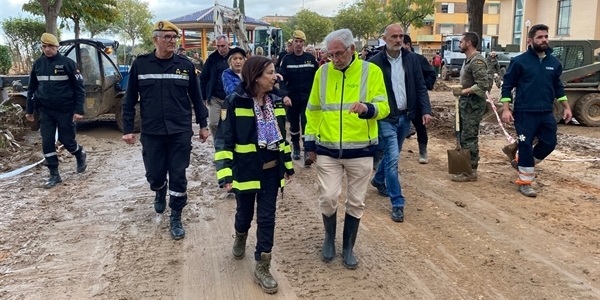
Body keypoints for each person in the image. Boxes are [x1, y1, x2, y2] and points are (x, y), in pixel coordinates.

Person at [305, 29, 390, 269]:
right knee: (329, 197)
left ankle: (348, 248)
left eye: (339, 54)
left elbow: (384, 107)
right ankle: (329, 239)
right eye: (330, 55)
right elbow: (313, 110)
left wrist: (367, 109)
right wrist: (309, 143)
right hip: (327, 150)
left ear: (352, 49)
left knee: (355, 202)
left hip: (361, 150)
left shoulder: (370, 71)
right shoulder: (322, 73)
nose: (335, 59)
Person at [122, 20, 209, 240]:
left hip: (179, 130)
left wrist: (203, 125)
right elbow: (130, 98)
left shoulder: (186, 66)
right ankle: (159, 189)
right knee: (154, 173)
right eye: (166, 37)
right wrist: (128, 128)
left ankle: (176, 216)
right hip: (152, 131)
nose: (171, 41)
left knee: (178, 173)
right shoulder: (141, 65)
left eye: (174, 37)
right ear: (155, 39)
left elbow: (197, 98)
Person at [214, 56, 294, 294]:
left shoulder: (277, 102)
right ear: (256, 76)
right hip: (246, 171)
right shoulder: (234, 102)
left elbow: (281, 137)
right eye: (270, 73)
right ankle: (240, 236)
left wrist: (288, 166)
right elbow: (224, 141)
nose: (274, 76)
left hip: (271, 172)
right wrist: (226, 174)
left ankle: (262, 265)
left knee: (267, 218)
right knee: (245, 214)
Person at [368, 24, 432, 222]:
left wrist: (426, 110)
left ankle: (378, 179)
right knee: (393, 159)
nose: (398, 40)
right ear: (384, 38)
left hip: (406, 116)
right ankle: (397, 202)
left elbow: (421, 86)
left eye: (401, 36)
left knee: (392, 154)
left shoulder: (412, 59)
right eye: (394, 36)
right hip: (386, 117)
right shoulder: (374, 63)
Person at [500, 24, 572, 197]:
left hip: (546, 112)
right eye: (540, 37)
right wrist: (506, 109)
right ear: (530, 40)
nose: (544, 40)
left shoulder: (554, 63)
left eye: (546, 36)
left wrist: (566, 107)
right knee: (525, 144)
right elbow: (507, 86)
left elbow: (558, 87)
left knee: (549, 143)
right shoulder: (519, 61)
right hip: (525, 112)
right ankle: (525, 182)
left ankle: (523, 163)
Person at [25, 33, 88, 189]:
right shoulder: (38, 64)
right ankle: (54, 174)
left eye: (51, 46)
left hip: (65, 110)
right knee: (47, 142)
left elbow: (79, 89)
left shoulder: (68, 64)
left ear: (57, 47)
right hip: (45, 111)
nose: (47, 49)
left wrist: (78, 110)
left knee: (67, 141)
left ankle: (79, 153)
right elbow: (32, 88)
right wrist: (29, 110)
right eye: (44, 47)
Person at [451, 32, 490, 182]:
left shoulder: (477, 61)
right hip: (465, 103)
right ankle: (463, 167)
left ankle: (471, 171)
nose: (459, 44)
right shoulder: (468, 60)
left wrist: (463, 91)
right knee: (461, 135)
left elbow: (483, 85)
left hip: (473, 105)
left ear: (468, 43)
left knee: (469, 136)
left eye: (461, 42)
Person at [278, 30, 319, 164]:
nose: (298, 44)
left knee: (307, 124)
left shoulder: (311, 59)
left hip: (308, 98)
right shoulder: (286, 60)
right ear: (293, 42)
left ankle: (307, 149)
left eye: (301, 42)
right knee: (294, 125)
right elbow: (282, 80)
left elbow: (317, 78)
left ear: (304, 43)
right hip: (292, 98)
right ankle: (295, 146)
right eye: (296, 41)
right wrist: (284, 96)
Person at [402, 34, 436, 164]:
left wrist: (422, 84)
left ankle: (423, 151)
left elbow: (431, 75)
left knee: (420, 126)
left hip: (417, 100)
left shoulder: (419, 59)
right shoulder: (397, 60)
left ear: (408, 45)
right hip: (402, 100)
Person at [200, 35, 230, 140]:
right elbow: (203, 78)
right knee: (213, 123)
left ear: (228, 44)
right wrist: (204, 97)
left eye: (223, 46)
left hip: (230, 98)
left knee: (230, 122)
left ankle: (229, 142)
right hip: (215, 97)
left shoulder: (235, 57)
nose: (220, 49)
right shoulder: (211, 59)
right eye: (218, 46)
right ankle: (219, 143)